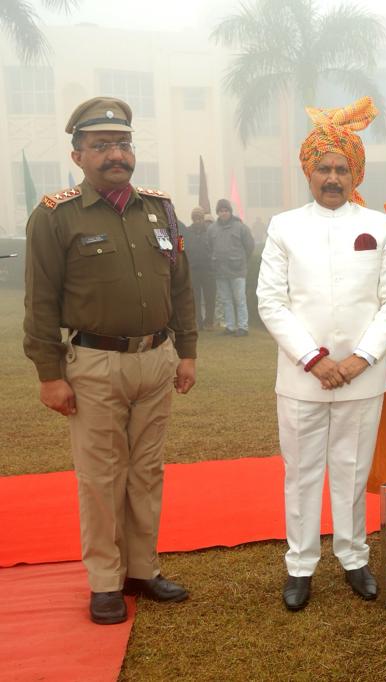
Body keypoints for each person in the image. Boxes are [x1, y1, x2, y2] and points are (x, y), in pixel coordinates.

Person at [22, 97, 197, 625]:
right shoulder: (56, 215)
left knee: (147, 471)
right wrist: (50, 375)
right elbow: (41, 303)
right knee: (100, 477)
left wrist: (186, 351)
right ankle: (104, 581)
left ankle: (141, 570)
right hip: (94, 365)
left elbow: (182, 286)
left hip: (156, 359)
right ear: (78, 155)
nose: (114, 155)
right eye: (101, 146)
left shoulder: (159, 209)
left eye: (121, 144)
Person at [257, 97, 386, 611]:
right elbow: (271, 302)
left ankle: (353, 557)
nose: (332, 177)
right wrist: (313, 358)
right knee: (301, 473)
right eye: (323, 167)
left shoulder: (380, 227)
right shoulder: (283, 226)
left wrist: (359, 358)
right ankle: (300, 565)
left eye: (342, 167)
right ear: (308, 170)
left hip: (363, 377)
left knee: (350, 467)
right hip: (302, 377)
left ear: (355, 172)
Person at [210, 198, 254, 336]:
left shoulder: (241, 227)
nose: (224, 213)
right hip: (220, 271)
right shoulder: (212, 229)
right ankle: (230, 326)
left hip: (237, 270)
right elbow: (209, 247)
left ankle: (243, 327)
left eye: (226, 210)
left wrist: (241, 260)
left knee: (240, 300)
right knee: (226, 300)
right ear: (217, 212)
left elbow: (250, 246)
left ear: (230, 212)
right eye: (221, 211)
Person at [184, 206, 216, 330]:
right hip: (193, 270)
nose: (197, 221)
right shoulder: (186, 232)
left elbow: (215, 247)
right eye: (195, 218)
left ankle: (209, 322)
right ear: (192, 219)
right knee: (195, 298)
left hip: (209, 270)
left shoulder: (210, 232)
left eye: (199, 218)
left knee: (210, 297)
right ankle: (198, 322)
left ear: (203, 218)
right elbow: (182, 249)